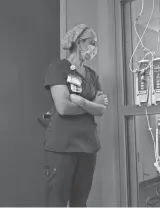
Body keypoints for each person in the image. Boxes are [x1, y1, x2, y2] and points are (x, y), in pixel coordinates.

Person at [44, 24, 108, 207]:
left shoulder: (92, 75)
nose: (95, 48)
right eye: (92, 43)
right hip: (62, 146)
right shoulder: (58, 67)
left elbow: (101, 109)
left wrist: (81, 102)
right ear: (80, 43)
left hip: (87, 146)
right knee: (57, 201)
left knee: (80, 202)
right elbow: (63, 107)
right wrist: (92, 105)